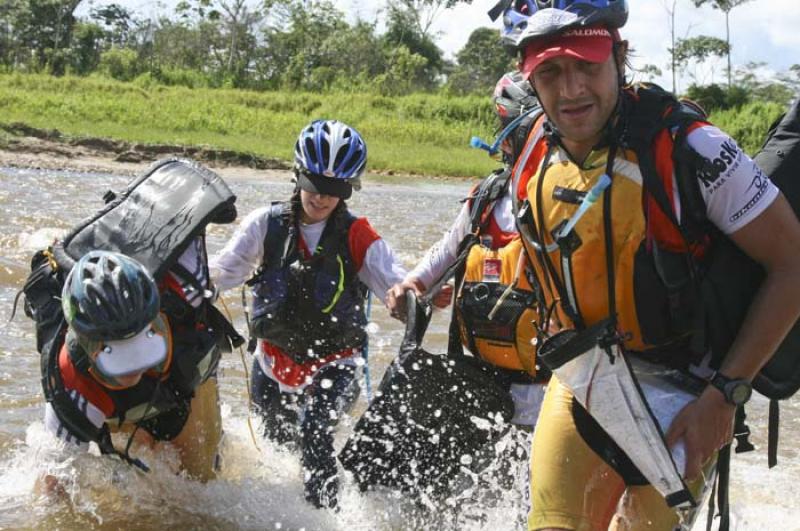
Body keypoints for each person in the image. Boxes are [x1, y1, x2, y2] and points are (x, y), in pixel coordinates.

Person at [495, 1, 800, 530]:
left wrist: (725, 397)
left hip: (689, 396)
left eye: (587, 66)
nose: (570, 91)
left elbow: (793, 264)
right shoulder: (528, 151)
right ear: (528, 75)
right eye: (550, 72)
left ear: (619, 56)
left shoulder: (694, 149)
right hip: (583, 385)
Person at [210, 119, 406, 510]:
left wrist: (412, 297)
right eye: (314, 183)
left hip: (338, 363)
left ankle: (328, 517)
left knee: (315, 432)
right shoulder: (264, 225)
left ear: (349, 189)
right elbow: (220, 274)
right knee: (276, 448)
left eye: (334, 189)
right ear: (297, 174)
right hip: (272, 363)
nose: (320, 197)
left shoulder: (359, 236)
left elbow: (400, 285)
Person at [25, 159, 240, 488]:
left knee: (202, 487)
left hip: (183, 384)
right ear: (88, 346)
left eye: (140, 349)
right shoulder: (72, 389)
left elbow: (186, 215)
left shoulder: (185, 295)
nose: (133, 370)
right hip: (119, 409)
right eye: (120, 360)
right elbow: (52, 485)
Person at [386, 70, 547, 430]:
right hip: (483, 394)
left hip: (548, 399)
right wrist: (411, 287)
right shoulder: (486, 198)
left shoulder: (565, 204)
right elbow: (444, 252)